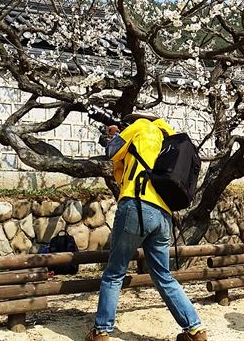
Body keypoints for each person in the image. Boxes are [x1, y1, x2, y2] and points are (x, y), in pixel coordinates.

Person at [85, 113, 206, 341]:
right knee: (164, 276)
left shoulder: (139, 127)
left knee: (114, 273)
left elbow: (112, 153)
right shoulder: (169, 136)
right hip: (163, 214)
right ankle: (195, 330)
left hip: (136, 205)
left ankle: (101, 331)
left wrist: (115, 136)